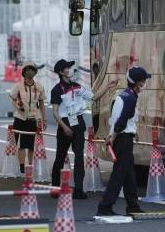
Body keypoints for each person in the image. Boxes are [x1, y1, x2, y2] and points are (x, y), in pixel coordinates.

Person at [51, 59, 118, 199]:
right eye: (67, 68)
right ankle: (55, 187)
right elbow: (55, 112)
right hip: (65, 124)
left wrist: (107, 86)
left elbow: (94, 97)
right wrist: (64, 127)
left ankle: (79, 189)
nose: (70, 70)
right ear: (61, 72)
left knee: (79, 156)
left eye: (70, 68)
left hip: (78, 123)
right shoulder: (56, 89)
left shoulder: (77, 86)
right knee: (60, 156)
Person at [96, 66, 150, 216]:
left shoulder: (123, 95)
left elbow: (119, 119)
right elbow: (123, 119)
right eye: (143, 82)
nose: (144, 84)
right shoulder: (130, 98)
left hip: (123, 137)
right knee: (119, 174)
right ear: (137, 83)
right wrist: (113, 137)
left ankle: (132, 205)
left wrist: (114, 134)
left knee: (129, 174)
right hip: (123, 139)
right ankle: (105, 206)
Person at [9, 62, 47, 174]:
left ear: (35, 72)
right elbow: (13, 98)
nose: (30, 72)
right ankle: (21, 168)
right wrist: (17, 106)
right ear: (23, 72)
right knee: (21, 145)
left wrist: (44, 119)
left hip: (34, 119)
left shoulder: (39, 86)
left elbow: (42, 104)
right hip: (20, 118)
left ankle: (30, 167)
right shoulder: (18, 86)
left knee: (31, 145)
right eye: (28, 70)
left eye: (32, 69)